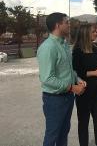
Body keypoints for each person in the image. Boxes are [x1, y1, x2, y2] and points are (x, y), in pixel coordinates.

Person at [37, 12, 87, 146]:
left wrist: (77, 79)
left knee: (63, 133)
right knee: (52, 135)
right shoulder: (48, 48)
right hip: (54, 100)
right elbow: (47, 78)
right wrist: (72, 87)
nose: (69, 25)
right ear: (58, 25)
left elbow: (68, 69)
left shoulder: (64, 45)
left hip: (67, 97)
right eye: (67, 22)